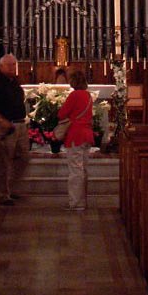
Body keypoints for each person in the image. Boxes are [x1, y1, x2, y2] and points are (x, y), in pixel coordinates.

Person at [0, 53, 30, 206]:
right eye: (9, 65)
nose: (12, 67)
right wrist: (1, 120)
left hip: (19, 124)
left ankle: (12, 188)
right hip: (4, 126)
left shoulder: (14, 82)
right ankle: (3, 193)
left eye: (14, 65)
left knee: (22, 157)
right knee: (2, 160)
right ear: (1, 66)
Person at [57, 69, 93, 211]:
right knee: (83, 169)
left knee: (75, 170)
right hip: (87, 134)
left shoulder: (75, 95)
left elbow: (62, 113)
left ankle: (75, 203)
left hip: (76, 135)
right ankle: (83, 201)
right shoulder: (88, 95)